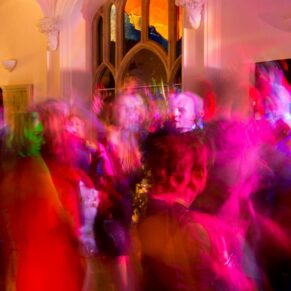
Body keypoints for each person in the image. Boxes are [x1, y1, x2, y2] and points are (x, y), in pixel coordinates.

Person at [137, 131, 255, 291]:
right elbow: (202, 280)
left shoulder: (152, 210)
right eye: (205, 167)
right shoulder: (187, 227)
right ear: (194, 175)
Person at [0, 111, 85, 291]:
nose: (42, 140)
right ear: (26, 135)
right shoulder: (36, 164)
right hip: (43, 255)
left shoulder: (9, 168)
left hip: (23, 257)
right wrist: (76, 241)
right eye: (37, 134)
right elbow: (59, 211)